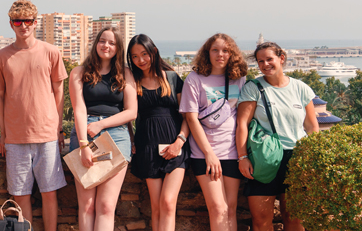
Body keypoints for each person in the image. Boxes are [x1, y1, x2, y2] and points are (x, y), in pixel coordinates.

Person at [0, 0, 67, 231]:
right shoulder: (1, 57)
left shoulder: (51, 51)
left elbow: (58, 91)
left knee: (49, 193)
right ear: (11, 24)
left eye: (28, 21)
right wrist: (3, 133)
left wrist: (59, 128)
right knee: (20, 195)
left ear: (35, 22)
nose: (23, 26)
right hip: (15, 136)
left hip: (47, 134)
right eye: (18, 21)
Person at [236, 42, 319, 231]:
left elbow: (311, 126)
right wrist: (243, 157)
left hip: (296, 159)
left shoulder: (301, 88)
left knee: (294, 219)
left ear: (281, 59)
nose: (265, 64)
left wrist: (312, 158)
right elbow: (242, 125)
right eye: (260, 61)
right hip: (264, 157)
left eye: (269, 59)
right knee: (261, 220)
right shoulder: (253, 87)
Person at [68, 26, 137, 231]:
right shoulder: (79, 72)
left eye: (112, 43)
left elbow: (131, 112)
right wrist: (83, 146)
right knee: (87, 205)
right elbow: (79, 109)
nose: (106, 45)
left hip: (116, 135)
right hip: (84, 133)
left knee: (106, 206)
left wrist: (101, 124)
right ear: (96, 43)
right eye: (102, 41)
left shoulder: (125, 74)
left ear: (118, 48)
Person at [179, 33, 248, 231]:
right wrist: (209, 154)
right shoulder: (194, 79)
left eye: (225, 50)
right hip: (204, 152)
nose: (220, 54)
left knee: (231, 209)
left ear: (232, 54)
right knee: (217, 208)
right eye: (215, 50)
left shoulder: (239, 78)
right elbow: (191, 118)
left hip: (232, 151)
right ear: (207, 53)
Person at [126, 34, 190, 231]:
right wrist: (132, 140)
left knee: (168, 203)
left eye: (144, 54)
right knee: (156, 207)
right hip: (147, 148)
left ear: (153, 52)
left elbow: (187, 115)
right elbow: (128, 114)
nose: (140, 60)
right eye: (134, 56)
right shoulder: (132, 82)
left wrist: (180, 141)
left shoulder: (171, 77)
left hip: (175, 146)